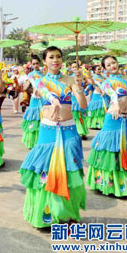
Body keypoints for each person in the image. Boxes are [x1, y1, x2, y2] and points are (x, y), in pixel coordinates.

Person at [20, 46, 87, 228]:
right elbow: (44, 92)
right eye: (51, 57)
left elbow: (83, 105)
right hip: (48, 131)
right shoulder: (39, 80)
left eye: (58, 56)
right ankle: (47, 213)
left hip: (69, 131)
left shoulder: (70, 80)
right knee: (45, 170)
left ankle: (69, 212)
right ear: (45, 61)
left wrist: (79, 87)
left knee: (70, 170)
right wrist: (54, 100)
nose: (55, 60)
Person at [87, 55, 127, 197]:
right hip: (114, 119)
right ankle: (108, 185)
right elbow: (112, 94)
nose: (112, 65)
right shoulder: (106, 83)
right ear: (104, 69)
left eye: (113, 62)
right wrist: (114, 104)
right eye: (108, 65)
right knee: (110, 151)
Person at [21, 54, 44, 149]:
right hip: (34, 99)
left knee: (41, 120)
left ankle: (40, 140)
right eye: (33, 64)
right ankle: (31, 141)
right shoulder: (30, 75)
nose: (35, 65)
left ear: (40, 63)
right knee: (33, 120)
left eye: (37, 63)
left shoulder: (43, 74)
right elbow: (34, 85)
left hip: (43, 99)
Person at [85, 65, 108, 130]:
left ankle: (102, 124)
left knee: (102, 110)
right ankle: (94, 124)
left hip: (103, 94)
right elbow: (92, 84)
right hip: (97, 95)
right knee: (95, 110)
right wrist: (89, 75)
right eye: (98, 69)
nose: (99, 70)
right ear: (94, 71)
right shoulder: (94, 77)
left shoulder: (103, 77)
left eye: (100, 69)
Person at [69, 62, 89, 140]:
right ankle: (76, 132)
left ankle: (83, 131)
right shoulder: (70, 78)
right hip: (74, 98)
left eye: (76, 67)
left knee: (83, 115)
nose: (74, 69)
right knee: (75, 116)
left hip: (82, 98)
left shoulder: (83, 76)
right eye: (73, 67)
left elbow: (88, 83)